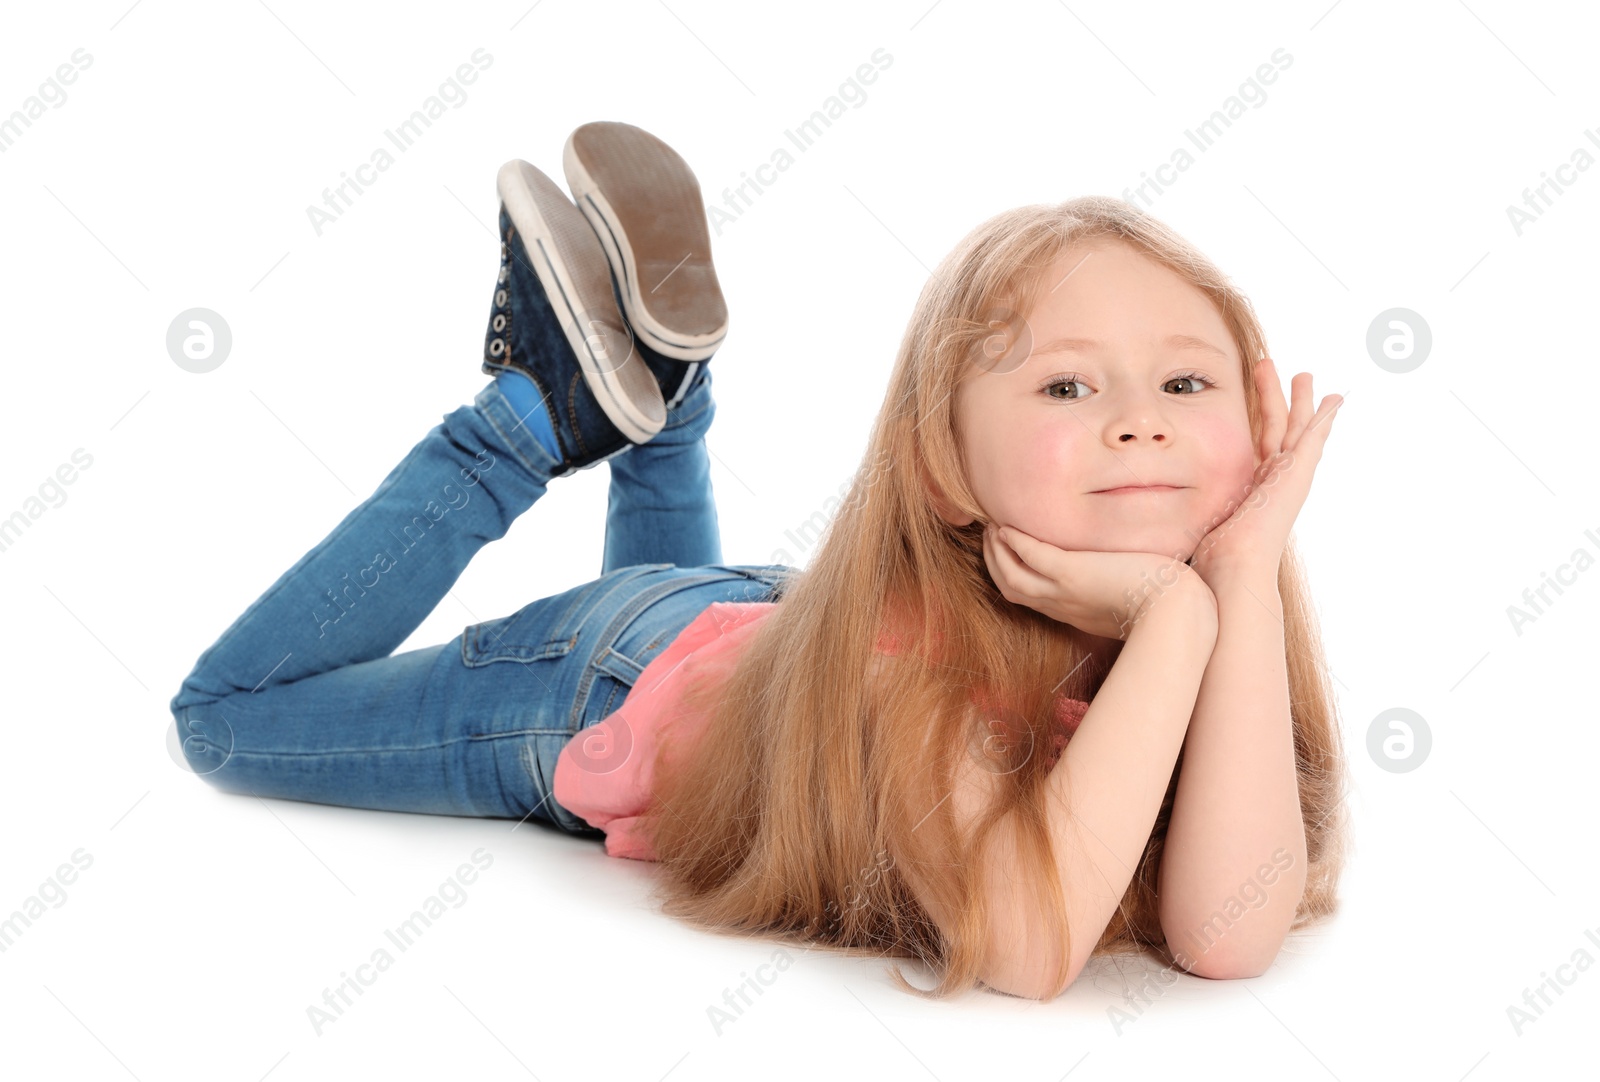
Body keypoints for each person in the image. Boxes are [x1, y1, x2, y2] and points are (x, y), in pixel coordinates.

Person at [170, 121, 1350, 1005]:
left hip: (751, 637)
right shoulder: (918, 682)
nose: (1140, 421)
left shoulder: (1198, 609)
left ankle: (665, 398)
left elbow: (1225, 933)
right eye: (1066, 384)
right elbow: (1029, 945)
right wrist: (1180, 616)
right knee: (224, 717)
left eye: (1186, 383)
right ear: (940, 469)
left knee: (715, 667)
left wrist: (1233, 579)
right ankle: (534, 417)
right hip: (598, 682)